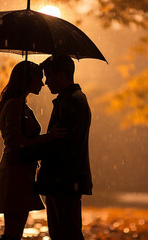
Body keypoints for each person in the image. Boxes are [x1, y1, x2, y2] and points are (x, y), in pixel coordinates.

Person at [0, 61, 66, 240]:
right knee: (13, 231)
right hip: (15, 173)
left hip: (22, 172)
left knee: (15, 230)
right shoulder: (15, 106)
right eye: (38, 79)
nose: (42, 83)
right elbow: (16, 141)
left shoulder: (20, 105)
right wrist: (49, 137)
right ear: (27, 79)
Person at [37, 55, 93, 240]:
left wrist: (29, 150)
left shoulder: (69, 102)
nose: (45, 82)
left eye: (48, 76)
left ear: (61, 74)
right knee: (65, 231)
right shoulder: (75, 98)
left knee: (65, 232)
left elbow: (60, 144)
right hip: (66, 179)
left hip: (62, 180)